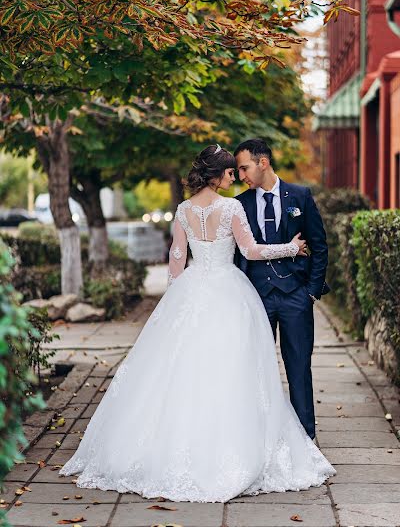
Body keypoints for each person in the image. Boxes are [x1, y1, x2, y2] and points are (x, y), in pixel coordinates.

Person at [60, 144, 335, 503]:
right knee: (234, 370)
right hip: (228, 292)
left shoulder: (184, 210)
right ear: (218, 174)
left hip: (192, 291)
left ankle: (182, 444)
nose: (235, 176)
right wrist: (289, 248)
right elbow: (250, 251)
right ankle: (238, 442)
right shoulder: (232, 206)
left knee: (186, 371)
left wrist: (176, 301)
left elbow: (176, 260)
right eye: (230, 172)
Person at [234, 139, 330, 440]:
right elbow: (238, 254)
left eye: (244, 168)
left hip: (295, 297)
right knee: (257, 369)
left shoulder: (300, 196)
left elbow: (319, 244)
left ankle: (305, 437)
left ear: (263, 163)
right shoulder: (240, 204)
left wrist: (311, 292)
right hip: (257, 297)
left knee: (299, 367)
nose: (241, 176)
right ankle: (260, 438)